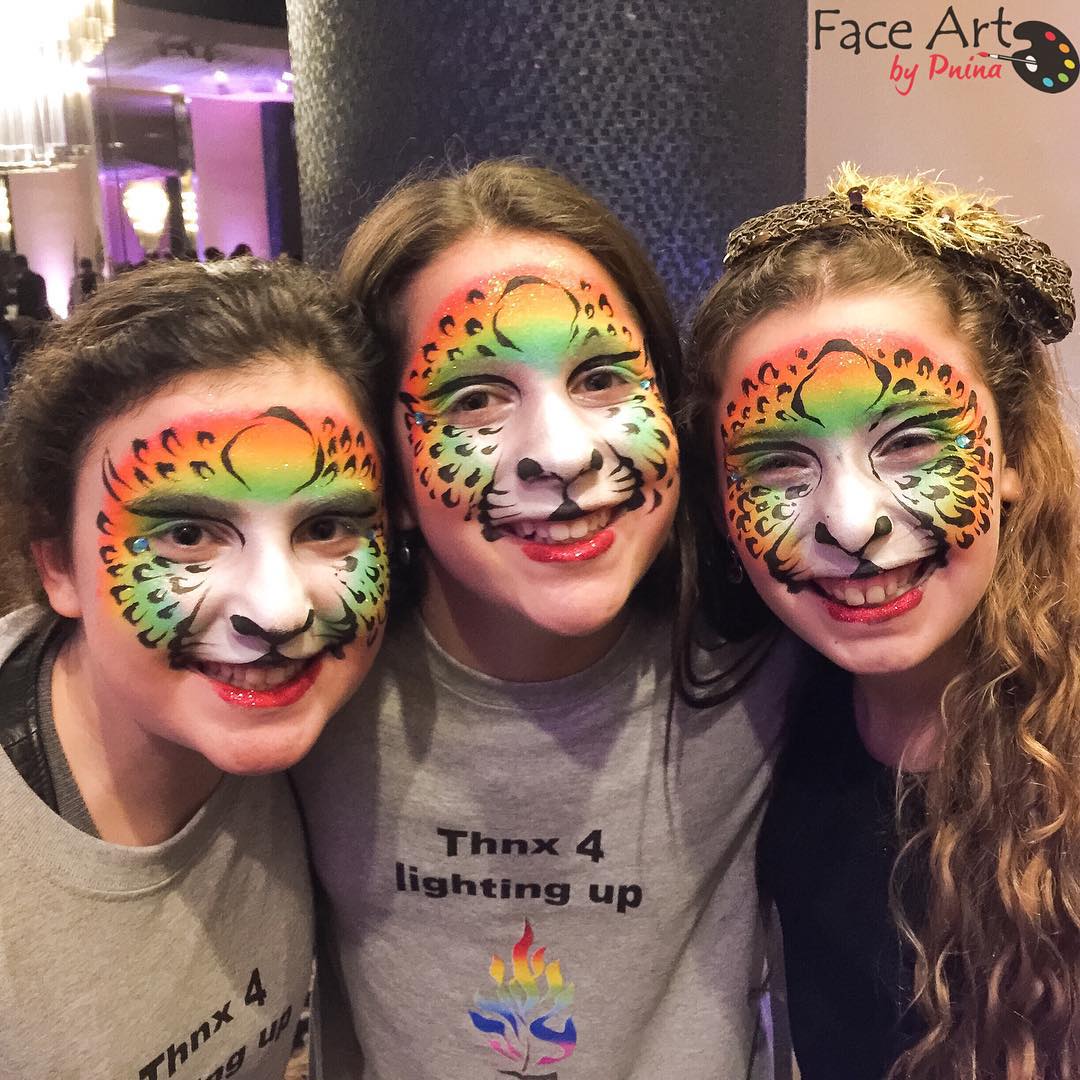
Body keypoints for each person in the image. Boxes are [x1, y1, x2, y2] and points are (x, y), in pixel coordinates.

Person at [292, 160, 799, 1080]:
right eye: (474, 399)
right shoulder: (308, 696)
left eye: (602, 377)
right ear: (384, 466)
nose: (561, 456)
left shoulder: (771, 658)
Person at [686, 165, 1079, 1080]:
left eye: (909, 443)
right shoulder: (767, 714)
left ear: (1012, 451)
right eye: (780, 465)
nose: (852, 524)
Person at [0, 259, 390, 1078]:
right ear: (57, 563)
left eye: (326, 527)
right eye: (186, 536)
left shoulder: (332, 737)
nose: (279, 613)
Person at [12, 253, 51, 320]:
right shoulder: (35, 279)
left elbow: (40, 301)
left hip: (34, 317)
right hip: (30, 317)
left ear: (20, 267)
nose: (14, 270)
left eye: (15, 267)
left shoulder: (32, 280)